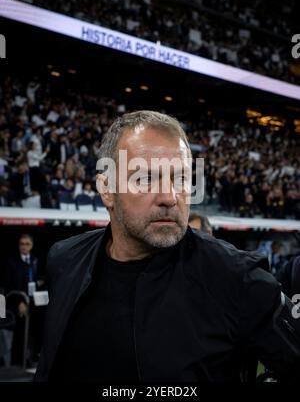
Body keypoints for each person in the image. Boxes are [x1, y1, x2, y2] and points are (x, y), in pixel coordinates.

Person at [35, 111, 300, 383]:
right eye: (146, 178)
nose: (170, 197)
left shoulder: (236, 276)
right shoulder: (65, 259)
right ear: (106, 189)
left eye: (181, 178)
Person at [3, 234, 40, 366]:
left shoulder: (34, 260)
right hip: (16, 304)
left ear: (31, 246)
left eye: (27, 244)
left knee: (31, 333)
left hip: (31, 303)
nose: (24, 246)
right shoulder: (11, 261)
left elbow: (35, 281)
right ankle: (15, 362)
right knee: (17, 334)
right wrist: (20, 302)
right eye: (21, 244)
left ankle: (28, 358)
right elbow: (9, 285)